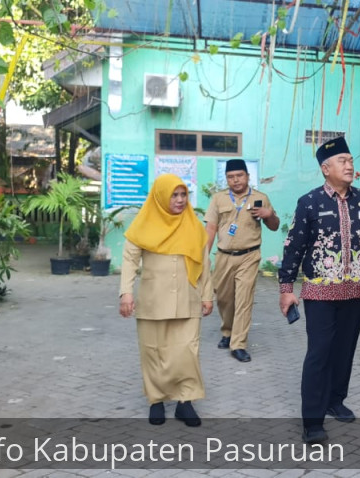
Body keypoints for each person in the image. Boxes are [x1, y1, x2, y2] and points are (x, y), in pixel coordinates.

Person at [279, 136, 360, 444]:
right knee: (319, 353)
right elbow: (294, 246)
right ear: (325, 168)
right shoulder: (310, 202)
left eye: (350, 160)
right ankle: (312, 420)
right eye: (342, 161)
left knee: (344, 351)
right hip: (320, 292)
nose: (349, 165)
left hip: (355, 291)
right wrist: (285, 288)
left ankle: (335, 400)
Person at [118, 174, 214, 427]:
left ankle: (185, 403)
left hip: (188, 298)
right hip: (153, 299)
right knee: (153, 351)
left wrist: (207, 295)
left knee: (187, 351)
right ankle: (156, 401)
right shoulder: (143, 224)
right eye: (174, 195)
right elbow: (129, 260)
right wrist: (126, 292)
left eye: (183, 195)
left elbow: (205, 263)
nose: (180, 200)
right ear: (161, 196)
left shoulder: (194, 226)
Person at [204, 159, 279, 362]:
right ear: (226, 179)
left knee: (244, 300)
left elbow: (274, 225)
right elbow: (210, 228)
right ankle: (227, 332)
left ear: (247, 176)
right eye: (231, 177)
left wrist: (268, 214)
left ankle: (238, 344)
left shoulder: (260, 198)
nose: (235, 180)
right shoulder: (218, 199)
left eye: (239, 176)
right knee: (224, 299)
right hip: (223, 257)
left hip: (249, 256)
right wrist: (203, 256)